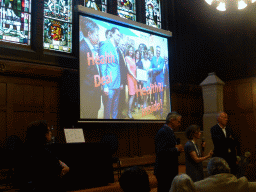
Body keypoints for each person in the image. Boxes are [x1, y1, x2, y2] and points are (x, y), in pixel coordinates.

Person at [22, 120, 69, 192]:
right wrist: (66, 169)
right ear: (41, 134)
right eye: (48, 131)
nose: (50, 133)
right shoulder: (44, 152)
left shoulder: (26, 148)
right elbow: (58, 172)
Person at [154, 112, 184, 192]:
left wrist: (178, 149)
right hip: (164, 171)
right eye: (178, 122)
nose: (179, 124)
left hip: (169, 170)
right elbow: (161, 151)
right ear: (172, 120)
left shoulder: (169, 131)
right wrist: (176, 149)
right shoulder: (163, 131)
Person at [80, 17, 101, 119]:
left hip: (94, 95)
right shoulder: (82, 49)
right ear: (89, 34)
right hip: (88, 97)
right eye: (97, 35)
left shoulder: (92, 48)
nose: (99, 38)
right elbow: (82, 76)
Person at [99, 27, 122, 119]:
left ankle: (115, 129)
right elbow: (102, 66)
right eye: (117, 35)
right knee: (107, 112)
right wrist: (105, 86)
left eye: (120, 36)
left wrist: (120, 83)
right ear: (111, 34)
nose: (119, 37)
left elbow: (117, 67)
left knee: (115, 110)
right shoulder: (105, 45)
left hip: (117, 84)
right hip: (109, 86)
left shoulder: (116, 48)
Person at [149, 45, 165, 118]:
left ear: (160, 52)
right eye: (157, 51)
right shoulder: (153, 58)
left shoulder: (162, 59)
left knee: (161, 97)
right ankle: (156, 110)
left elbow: (160, 68)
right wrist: (151, 69)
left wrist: (153, 69)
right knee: (155, 97)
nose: (158, 52)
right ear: (156, 51)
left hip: (160, 81)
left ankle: (161, 111)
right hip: (155, 80)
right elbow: (151, 67)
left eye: (159, 51)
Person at [125, 45, 138, 119]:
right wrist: (135, 77)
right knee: (132, 95)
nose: (131, 51)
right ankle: (129, 112)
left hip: (134, 78)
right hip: (130, 78)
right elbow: (129, 70)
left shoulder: (133, 59)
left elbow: (135, 68)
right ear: (128, 51)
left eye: (132, 50)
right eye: (129, 50)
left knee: (132, 95)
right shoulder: (126, 58)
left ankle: (131, 108)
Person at [117, 37, 128, 119]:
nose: (124, 46)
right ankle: (119, 115)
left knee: (122, 98)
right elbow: (119, 69)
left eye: (124, 45)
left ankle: (120, 113)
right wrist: (121, 83)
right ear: (119, 45)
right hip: (120, 82)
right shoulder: (118, 52)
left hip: (123, 81)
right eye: (122, 44)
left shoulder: (122, 53)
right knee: (120, 99)